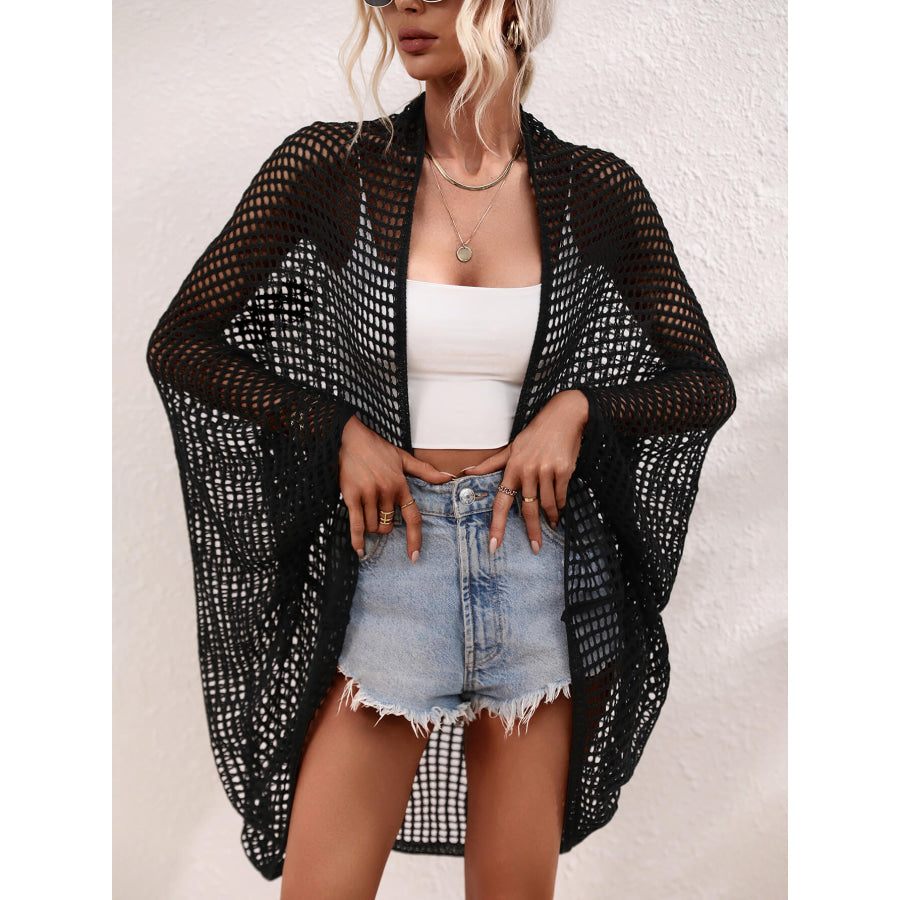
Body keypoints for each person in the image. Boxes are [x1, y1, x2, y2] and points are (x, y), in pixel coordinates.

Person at [146, 1, 736, 898]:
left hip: (533, 570)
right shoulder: (334, 169)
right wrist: (336, 431)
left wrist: (578, 410)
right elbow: (183, 342)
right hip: (395, 563)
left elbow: (704, 383)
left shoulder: (591, 190)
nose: (403, 7)